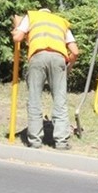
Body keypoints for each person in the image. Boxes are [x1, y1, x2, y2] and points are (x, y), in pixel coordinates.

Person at [12, 8, 79, 150]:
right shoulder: (60, 22)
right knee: (60, 101)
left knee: (34, 99)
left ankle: (35, 140)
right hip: (59, 59)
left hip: (38, 57)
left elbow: (17, 38)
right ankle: (61, 141)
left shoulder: (31, 16)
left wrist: (17, 28)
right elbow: (75, 51)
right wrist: (68, 68)